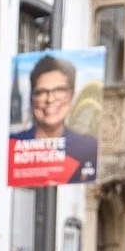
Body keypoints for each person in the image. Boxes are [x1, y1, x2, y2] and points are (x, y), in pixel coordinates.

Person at [10, 53, 98, 183]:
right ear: (31, 98)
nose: (50, 99)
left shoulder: (89, 147)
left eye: (59, 90)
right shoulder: (14, 144)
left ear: (71, 96)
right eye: (41, 92)